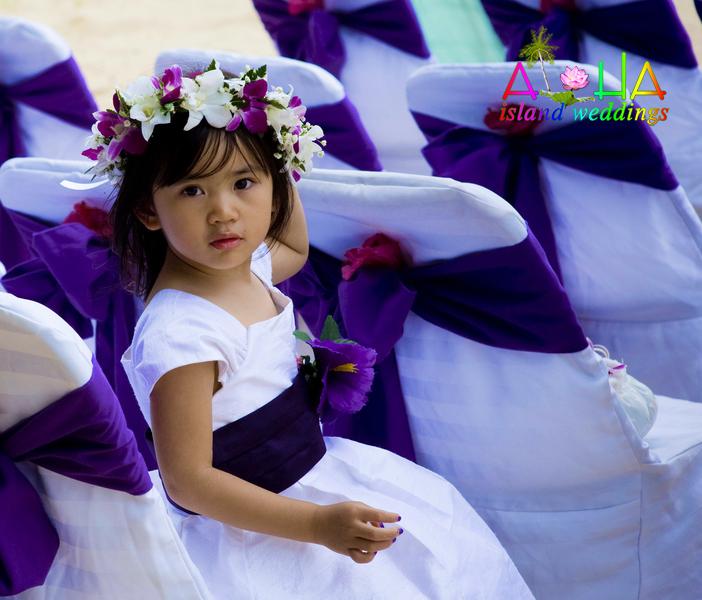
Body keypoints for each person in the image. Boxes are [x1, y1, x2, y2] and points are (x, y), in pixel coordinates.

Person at [95, 64, 534, 598]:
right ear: (147, 210)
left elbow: (296, 250)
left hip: (318, 472)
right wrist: (315, 524)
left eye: (244, 183)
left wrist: (283, 154)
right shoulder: (182, 334)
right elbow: (188, 481)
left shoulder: (243, 268)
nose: (224, 212)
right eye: (192, 191)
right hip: (256, 528)